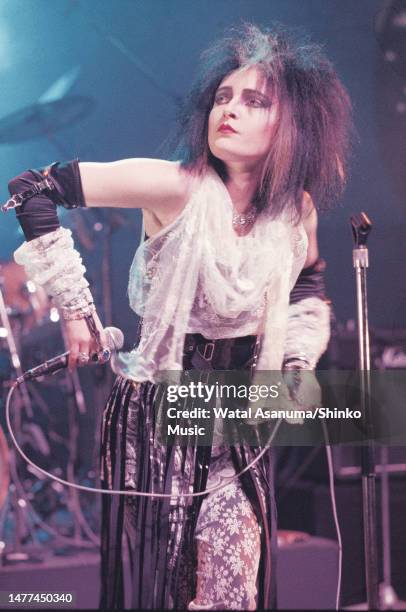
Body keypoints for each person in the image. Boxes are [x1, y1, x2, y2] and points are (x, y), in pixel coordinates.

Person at [4, 23, 351, 610]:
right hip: (159, 413)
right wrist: (76, 314)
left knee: (231, 587)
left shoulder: (297, 211)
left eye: (253, 101)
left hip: (238, 417)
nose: (229, 110)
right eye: (222, 97)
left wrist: (297, 361)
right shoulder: (174, 186)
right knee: (165, 588)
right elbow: (33, 188)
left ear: (292, 126)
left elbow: (309, 281)